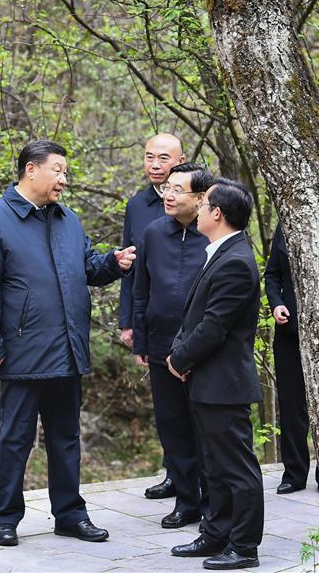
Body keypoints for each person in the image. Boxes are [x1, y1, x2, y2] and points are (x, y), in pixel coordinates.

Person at [0, 140, 136, 547]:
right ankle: (5, 519)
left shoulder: (68, 220)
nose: (64, 178)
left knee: (66, 438)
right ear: (30, 170)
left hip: (68, 349)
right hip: (22, 352)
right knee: (15, 439)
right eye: (57, 170)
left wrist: (113, 262)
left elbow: (87, 267)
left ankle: (71, 515)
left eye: (65, 171)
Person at [167, 178, 264, 570]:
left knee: (237, 469)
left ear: (217, 214)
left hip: (224, 383)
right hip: (206, 381)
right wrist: (179, 351)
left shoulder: (237, 261)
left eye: (203, 203)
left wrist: (178, 360)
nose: (199, 207)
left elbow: (213, 327)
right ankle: (215, 533)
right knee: (214, 465)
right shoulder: (220, 253)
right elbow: (192, 317)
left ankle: (244, 547)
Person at [132, 163, 213, 529]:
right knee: (172, 426)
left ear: (200, 199)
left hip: (202, 351)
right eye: (166, 188)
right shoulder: (152, 233)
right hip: (161, 347)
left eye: (177, 189)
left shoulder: (213, 236)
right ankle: (186, 500)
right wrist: (142, 341)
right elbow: (141, 290)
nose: (167, 194)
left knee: (206, 428)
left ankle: (213, 500)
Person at [120, 133, 186, 500]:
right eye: (149, 157)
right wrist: (129, 321)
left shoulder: (201, 198)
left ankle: (201, 479)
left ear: (180, 159)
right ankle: (174, 473)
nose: (155, 165)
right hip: (154, 316)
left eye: (163, 158)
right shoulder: (137, 205)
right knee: (166, 406)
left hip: (190, 316)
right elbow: (131, 267)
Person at [264, 223, 319, 495]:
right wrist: (276, 303)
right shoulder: (284, 225)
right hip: (288, 332)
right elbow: (272, 275)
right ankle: (294, 473)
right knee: (291, 405)